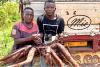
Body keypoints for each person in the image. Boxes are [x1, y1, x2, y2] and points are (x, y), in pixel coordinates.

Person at [37, 0, 80, 67]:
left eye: (52, 7)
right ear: (44, 8)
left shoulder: (60, 20)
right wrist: (38, 37)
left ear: (55, 8)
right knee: (45, 64)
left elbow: (60, 33)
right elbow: (41, 31)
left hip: (56, 46)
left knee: (57, 63)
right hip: (44, 47)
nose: (49, 9)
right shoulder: (40, 18)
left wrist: (61, 36)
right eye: (47, 7)